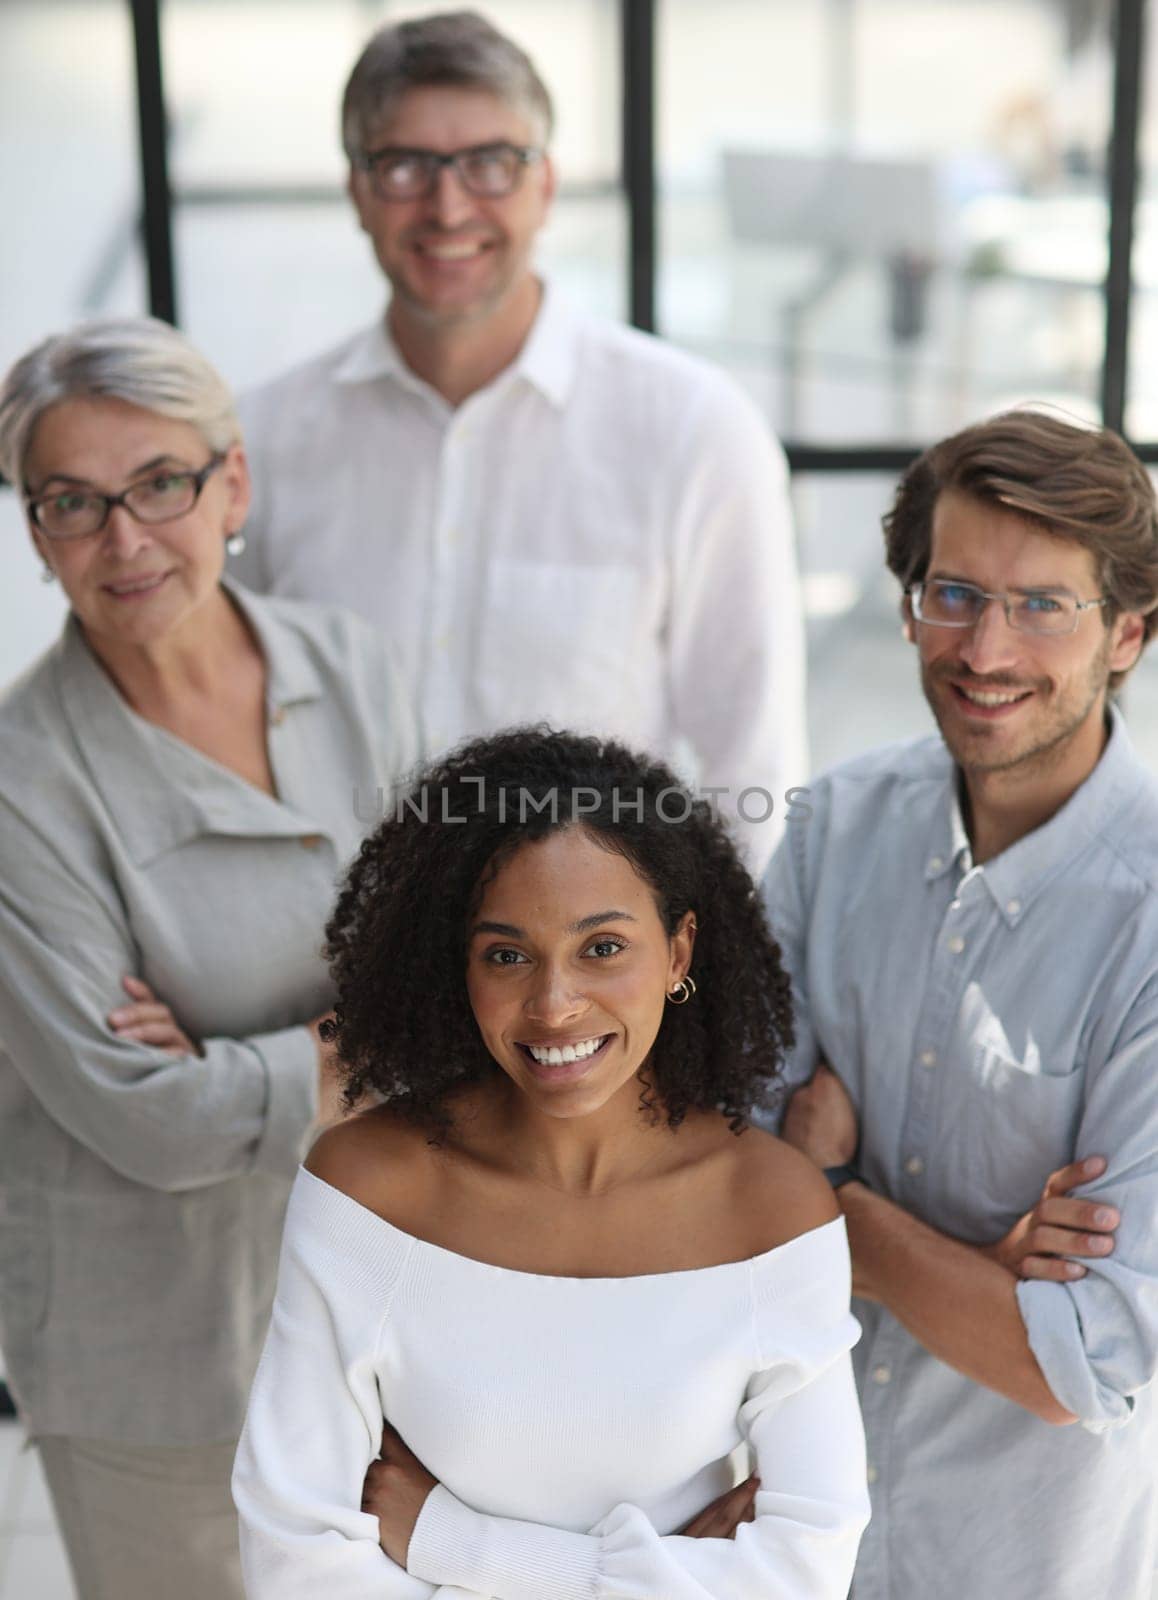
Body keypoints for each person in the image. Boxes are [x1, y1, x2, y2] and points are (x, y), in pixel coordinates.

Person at [232, 728, 870, 1597]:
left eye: (602, 947)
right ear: (456, 966)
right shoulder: (369, 1192)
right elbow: (295, 1559)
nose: (554, 1004)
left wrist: (452, 1545)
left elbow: (803, 1573)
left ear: (678, 952)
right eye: (507, 955)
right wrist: (674, 1571)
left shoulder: (769, 1208)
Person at [0, 316, 418, 1600]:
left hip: (389, 1310)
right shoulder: (23, 779)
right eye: (72, 502)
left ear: (232, 483)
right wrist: (384, 1041)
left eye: (159, 484)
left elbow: (470, 955)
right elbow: (155, 1121)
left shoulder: (349, 665)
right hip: (158, 1356)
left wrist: (245, 1061)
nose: (122, 540)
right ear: (34, 529)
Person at [233, 9, 806, 874]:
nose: (448, 205)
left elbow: (752, 771)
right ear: (357, 190)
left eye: (491, 163)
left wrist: (706, 998)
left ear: (545, 185)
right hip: (320, 983)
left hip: (587, 992)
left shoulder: (693, 430)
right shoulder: (264, 441)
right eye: (404, 166)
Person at [763, 408, 1158, 1598]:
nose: (986, 648)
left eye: (1043, 604)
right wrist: (973, 1272)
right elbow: (708, 1172)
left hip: (1029, 1564)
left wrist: (842, 1212)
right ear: (908, 604)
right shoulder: (833, 826)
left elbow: (1082, 1363)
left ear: (1129, 632)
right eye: (955, 594)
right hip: (796, 1542)